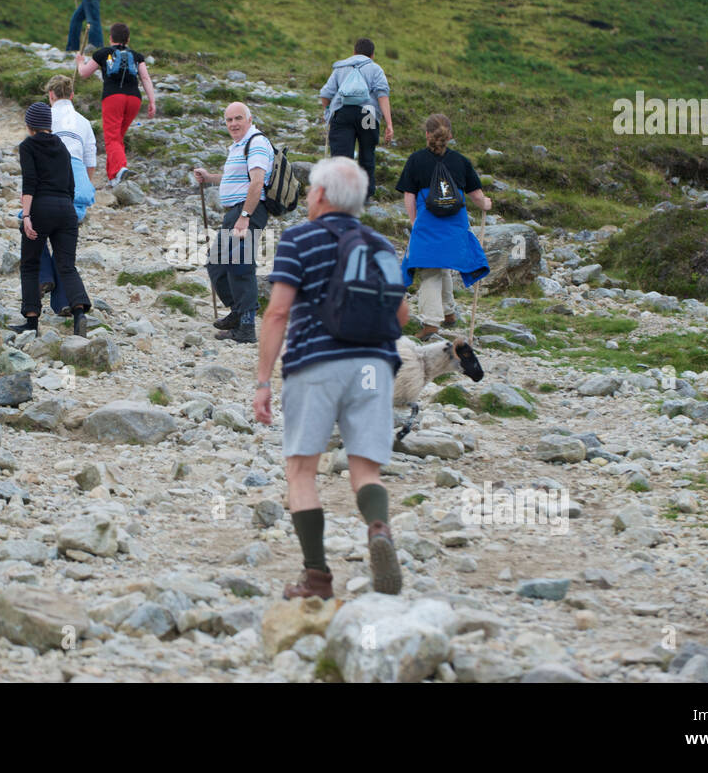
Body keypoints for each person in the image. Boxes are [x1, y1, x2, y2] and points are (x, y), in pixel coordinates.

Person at [254, 157, 408, 600]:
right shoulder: (381, 245)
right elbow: (402, 313)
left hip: (315, 364)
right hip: (374, 365)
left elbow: (278, 311)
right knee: (365, 468)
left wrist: (264, 381)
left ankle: (317, 579)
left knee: (302, 470)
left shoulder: (299, 238)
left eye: (309, 191)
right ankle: (378, 529)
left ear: (319, 194)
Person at [396, 113, 491, 338]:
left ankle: (431, 323)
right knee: (443, 262)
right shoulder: (460, 161)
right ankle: (448, 313)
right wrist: (485, 203)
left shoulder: (416, 160)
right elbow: (476, 195)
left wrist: (414, 222)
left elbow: (409, 196)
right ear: (450, 136)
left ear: (427, 134)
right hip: (454, 225)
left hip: (428, 223)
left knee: (430, 269)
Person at [191, 102, 272, 344]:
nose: (233, 124)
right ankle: (238, 314)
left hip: (248, 211)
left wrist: (245, 217)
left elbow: (257, 182)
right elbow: (236, 178)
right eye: (229, 120)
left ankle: (246, 326)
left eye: (238, 118)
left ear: (249, 119)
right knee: (217, 264)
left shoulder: (256, 142)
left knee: (239, 265)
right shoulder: (240, 144)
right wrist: (210, 178)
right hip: (236, 211)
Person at [13, 102, 92, 336]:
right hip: (67, 210)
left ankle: (31, 320)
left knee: (30, 263)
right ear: (49, 125)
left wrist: (26, 215)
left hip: (41, 208)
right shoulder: (63, 147)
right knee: (67, 265)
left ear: (30, 126)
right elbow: (71, 185)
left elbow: (30, 182)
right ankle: (79, 312)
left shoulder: (27, 146)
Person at [41, 74, 97, 316]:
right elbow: (91, 162)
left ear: (50, 95)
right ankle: (64, 302)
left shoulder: (46, 117)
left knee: (30, 224)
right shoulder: (84, 122)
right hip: (79, 182)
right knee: (65, 248)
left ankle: (44, 276)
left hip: (52, 178)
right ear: (72, 95)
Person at [76, 22, 156, 185]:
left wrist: (79, 61)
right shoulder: (137, 55)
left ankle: (120, 170)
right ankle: (113, 176)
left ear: (111, 38)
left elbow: (83, 73)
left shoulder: (103, 53)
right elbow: (146, 78)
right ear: (128, 39)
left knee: (112, 137)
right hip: (134, 98)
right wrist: (152, 101)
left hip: (113, 97)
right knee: (118, 137)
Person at [319, 37, 394, 200]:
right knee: (367, 152)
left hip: (343, 112)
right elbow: (383, 95)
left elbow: (325, 94)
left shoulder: (340, 67)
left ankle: (341, 194)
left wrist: (327, 112)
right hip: (368, 113)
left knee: (341, 156)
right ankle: (365, 195)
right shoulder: (375, 69)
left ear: (354, 52)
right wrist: (389, 124)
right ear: (372, 55)